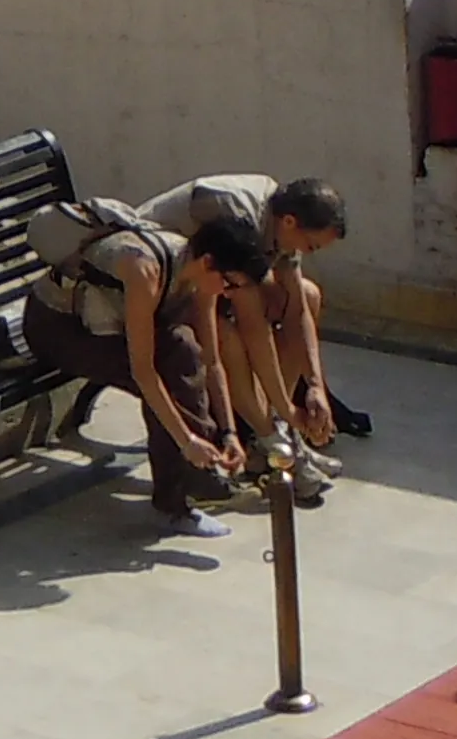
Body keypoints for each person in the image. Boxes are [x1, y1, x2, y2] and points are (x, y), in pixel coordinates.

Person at [18, 191, 260, 534]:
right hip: (57, 329)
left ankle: (192, 476)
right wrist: (186, 440)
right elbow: (143, 371)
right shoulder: (143, 269)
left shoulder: (203, 279)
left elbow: (211, 358)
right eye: (230, 283)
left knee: (185, 351)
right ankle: (175, 501)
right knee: (169, 372)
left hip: (104, 329)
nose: (229, 293)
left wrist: (229, 432)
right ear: (208, 262)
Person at [147, 172, 371, 467]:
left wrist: (315, 385)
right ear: (290, 222)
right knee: (227, 334)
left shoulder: (283, 222)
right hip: (162, 287)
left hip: (215, 284)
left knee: (308, 293)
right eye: (311, 246)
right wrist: (290, 409)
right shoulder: (237, 215)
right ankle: (268, 436)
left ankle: (281, 430)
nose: (306, 253)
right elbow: (254, 327)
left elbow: (298, 308)